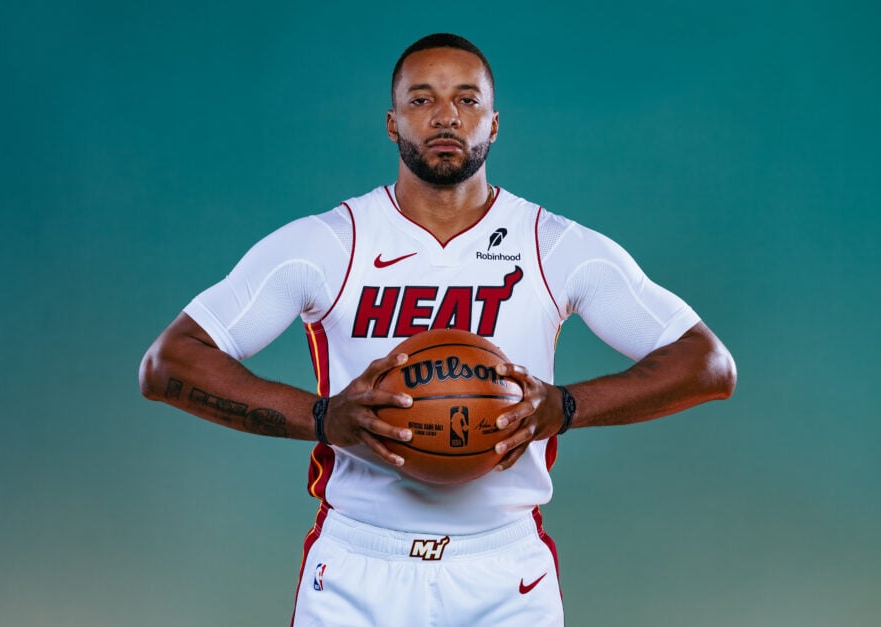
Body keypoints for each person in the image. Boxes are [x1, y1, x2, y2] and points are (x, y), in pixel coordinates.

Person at [139, 33, 736, 626]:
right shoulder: (329, 242)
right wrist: (322, 417)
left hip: (505, 572)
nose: (446, 116)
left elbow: (707, 364)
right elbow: (169, 364)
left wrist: (566, 406)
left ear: (494, 124)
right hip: (357, 564)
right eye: (422, 100)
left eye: (467, 99)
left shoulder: (551, 245)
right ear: (392, 122)